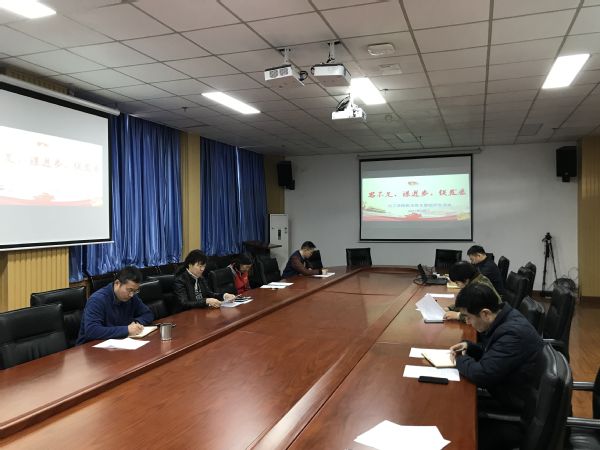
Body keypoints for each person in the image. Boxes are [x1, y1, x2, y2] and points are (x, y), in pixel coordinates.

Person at [449, 283, 543, 450]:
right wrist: (470, 347)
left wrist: (459, 359)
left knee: (455, 430)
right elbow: (494, 353)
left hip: (519, 410)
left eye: (468, 317)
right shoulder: (507, 317)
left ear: (485, 313)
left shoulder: (512, 333)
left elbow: (482, 374)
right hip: (514, 393)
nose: (468, 322)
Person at [76, 266, 154, 345]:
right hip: (90, 347)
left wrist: (136, 324)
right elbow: (92, 331)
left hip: (117, 343)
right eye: (129, 290)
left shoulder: (132, 297)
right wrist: (127, 330)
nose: (131, 295)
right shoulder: (97, 300)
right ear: (117, 283)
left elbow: (148, 314)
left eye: (135, 291)